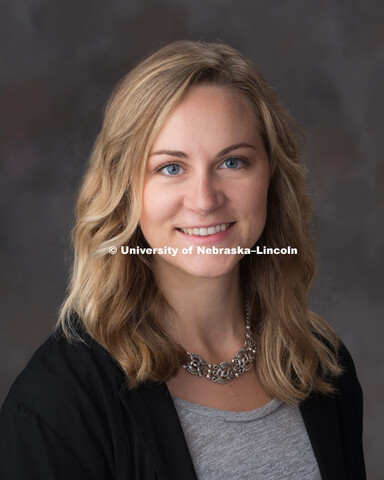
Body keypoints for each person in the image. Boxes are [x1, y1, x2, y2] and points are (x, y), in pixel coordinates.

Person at [0, 40, 365, 480]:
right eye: (171, 168)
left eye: (233, 162)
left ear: (271, 177)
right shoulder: (56, 402)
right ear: (126, 189)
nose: (205, 200)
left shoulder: (321, 365)